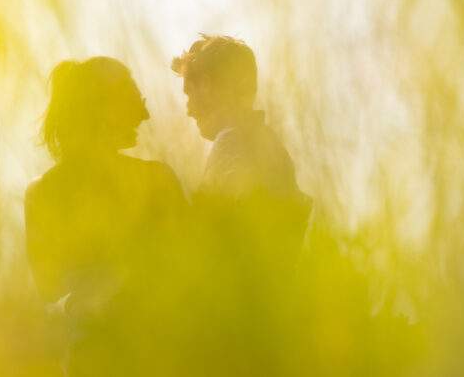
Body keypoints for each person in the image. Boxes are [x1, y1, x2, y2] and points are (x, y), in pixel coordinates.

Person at [25, 56, 186, 376]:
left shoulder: (41, 193)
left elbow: (48, 287)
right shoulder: (157, 179)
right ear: (102, 111)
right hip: (155, 352)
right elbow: (189, 271)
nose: (145, 114)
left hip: (89, 353)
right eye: (134, 102)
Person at [172, 34, 311, 376]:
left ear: (215, 87)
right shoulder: (268, 145)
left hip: (238, 332)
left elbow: (218, 241)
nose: (188, 109)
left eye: (191, 93)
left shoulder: (232, 143)